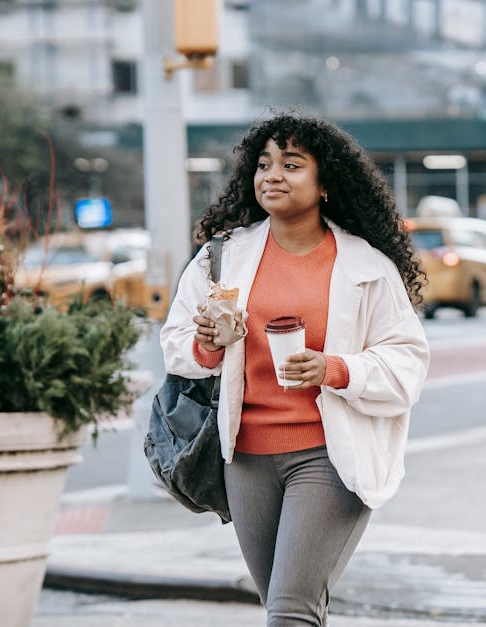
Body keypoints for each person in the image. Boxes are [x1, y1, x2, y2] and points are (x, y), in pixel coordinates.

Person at [161, 113, 430, 626]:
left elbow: (407, 362)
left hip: (329, 457)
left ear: (325, 181)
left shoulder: (368, 267)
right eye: (263, 165)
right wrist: (209, 345)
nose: (272, 175)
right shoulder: (221, 257)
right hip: (245, 460)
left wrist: (334, 368)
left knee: (289, 614)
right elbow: (175, 344)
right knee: (290, 610)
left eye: (291, 164)